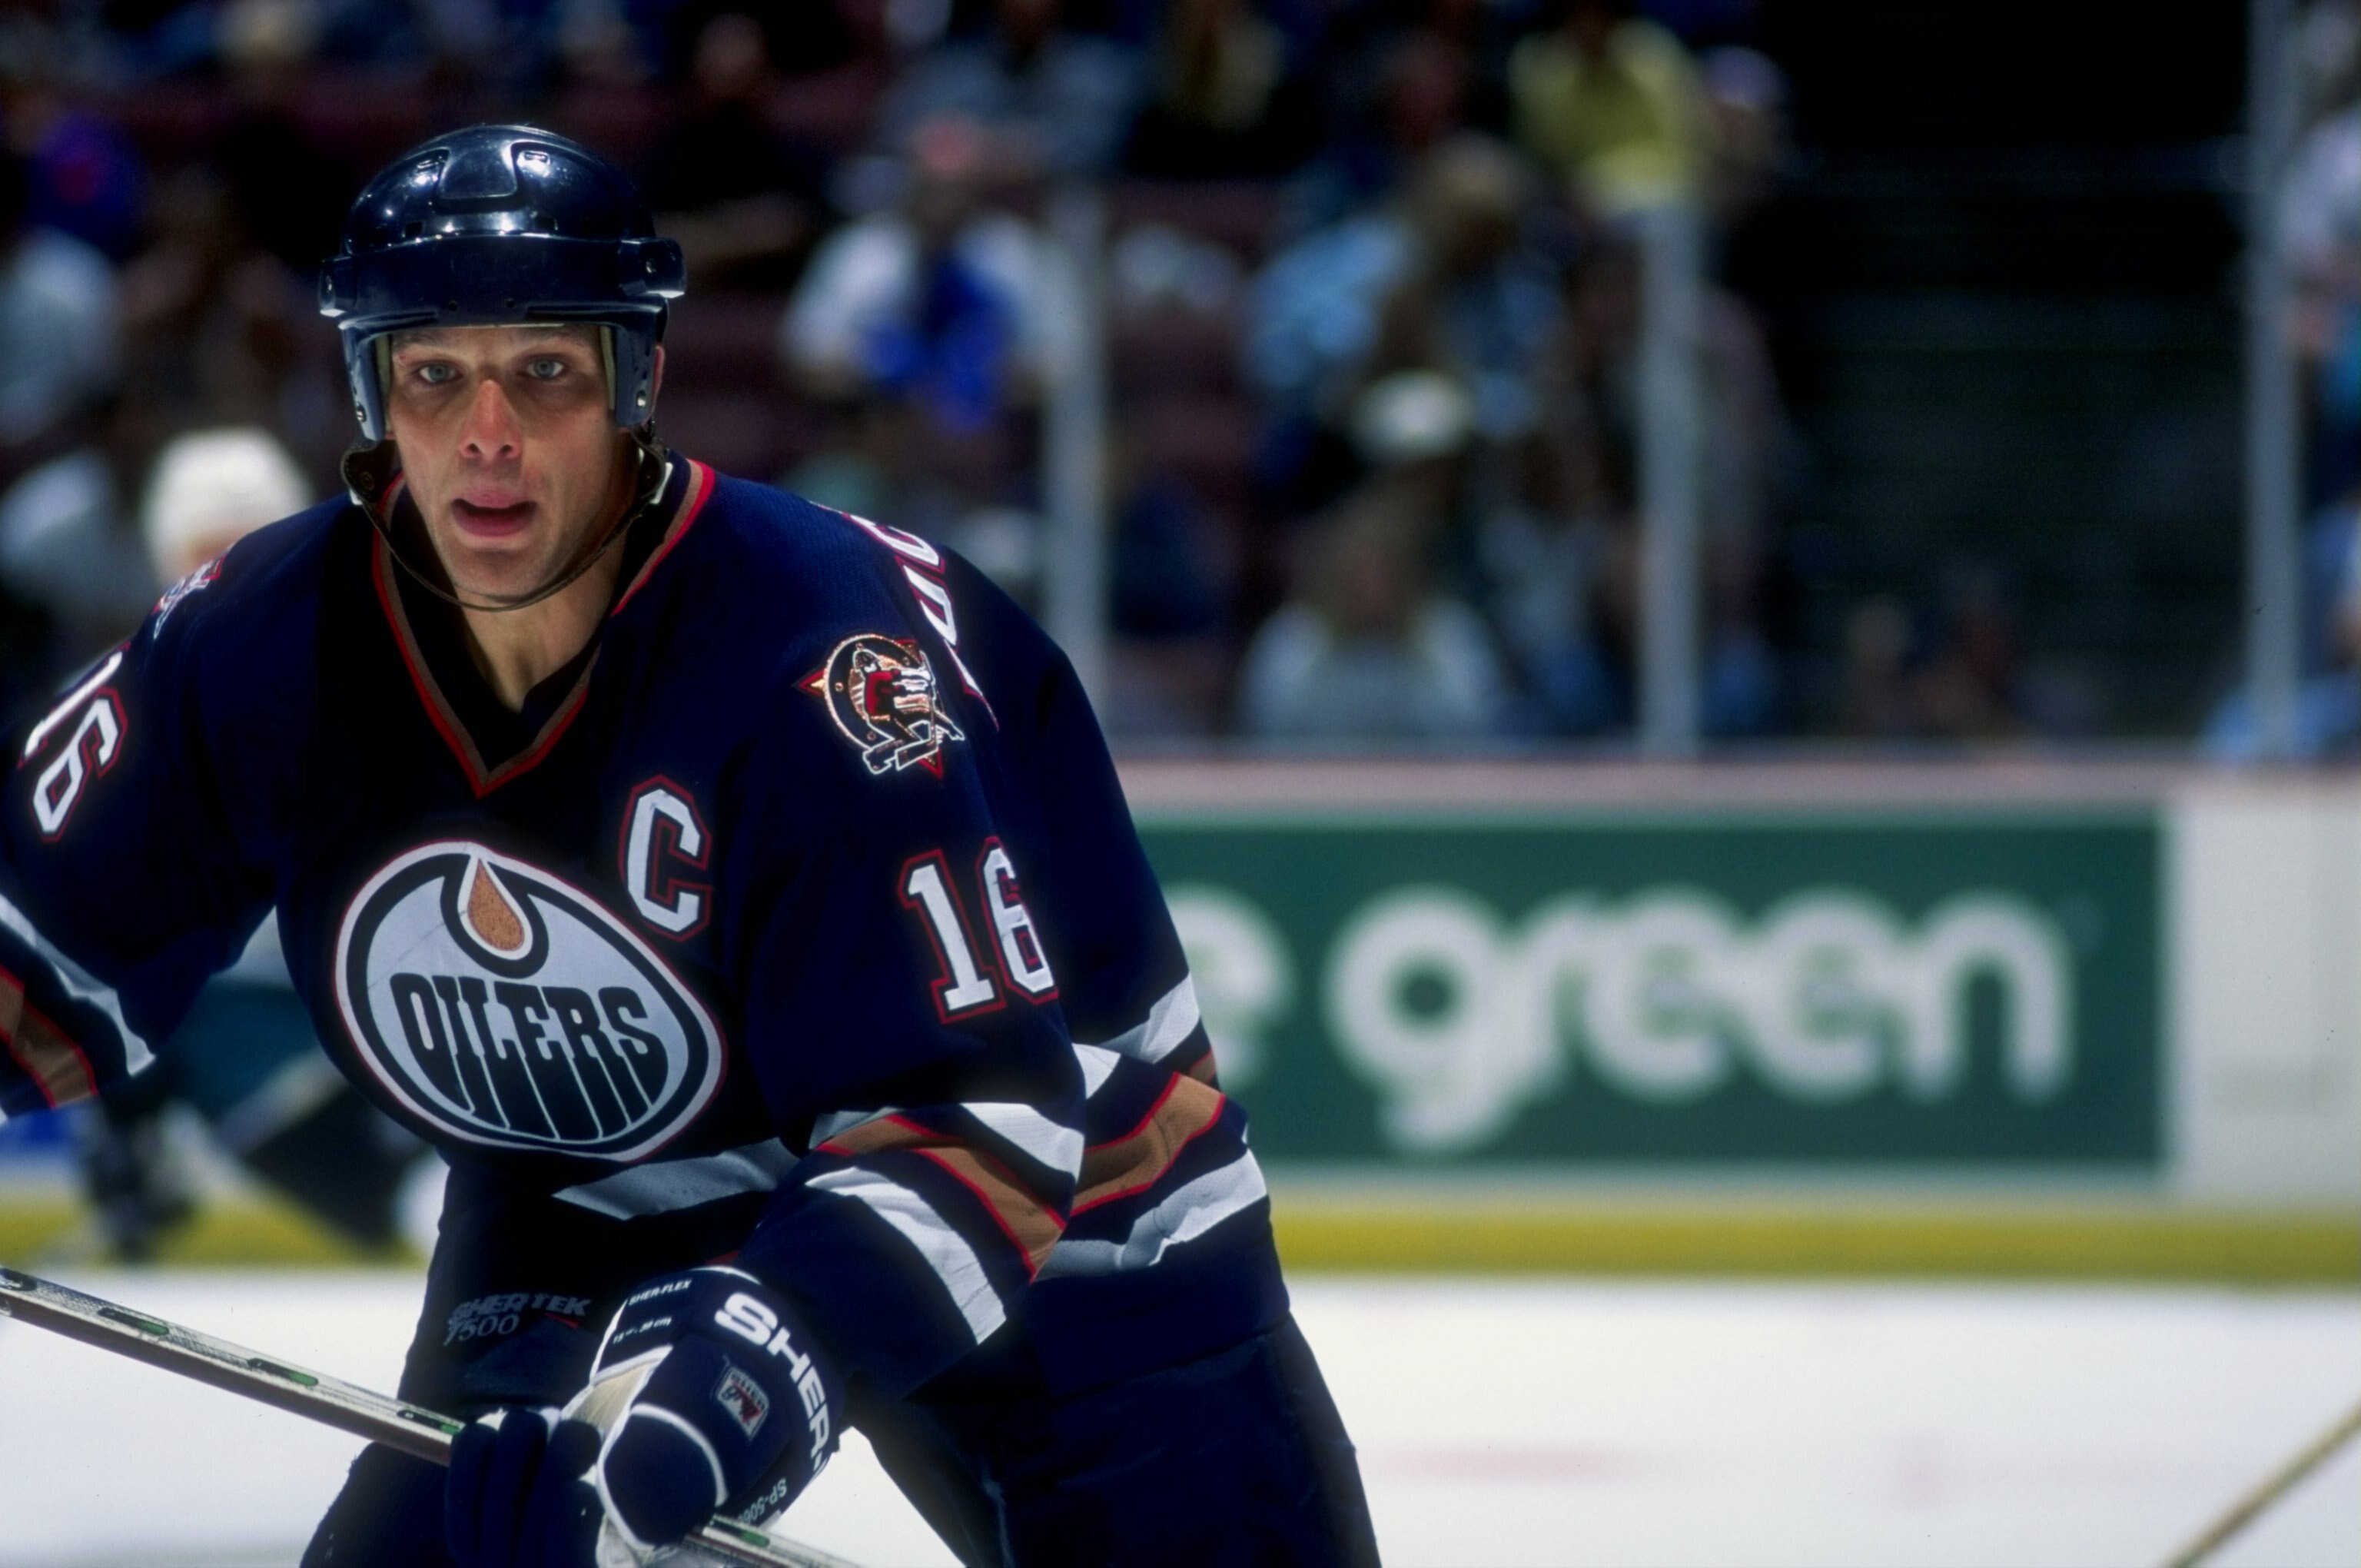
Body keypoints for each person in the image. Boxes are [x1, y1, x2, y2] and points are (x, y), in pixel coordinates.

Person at [0, 125, 1376, 1567]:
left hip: (1078, 1191)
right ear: (371, 397)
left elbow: (988, 1118)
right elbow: (30, 945)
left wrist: (750, 1375)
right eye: (433, 374)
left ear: (637, 385)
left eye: (545, 372)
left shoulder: (823, 659)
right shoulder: (256, 644)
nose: (487, 434)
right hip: (595, 1185)